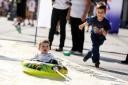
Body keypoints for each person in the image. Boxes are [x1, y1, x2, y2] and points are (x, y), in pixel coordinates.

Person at [79, 2, 111, 68]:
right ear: (96, 11)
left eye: (102, 12)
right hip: (94, 35)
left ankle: (89, 54)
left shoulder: (106, 22)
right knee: (95, 46)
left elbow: (105, 34)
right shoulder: (93, 18)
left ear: (105, 12)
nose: (99, 14)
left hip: (101, 37)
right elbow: (87, 22)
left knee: (95, 47)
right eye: (98, 12)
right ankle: (96, 61)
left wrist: (103, 31)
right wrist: (82, 25)